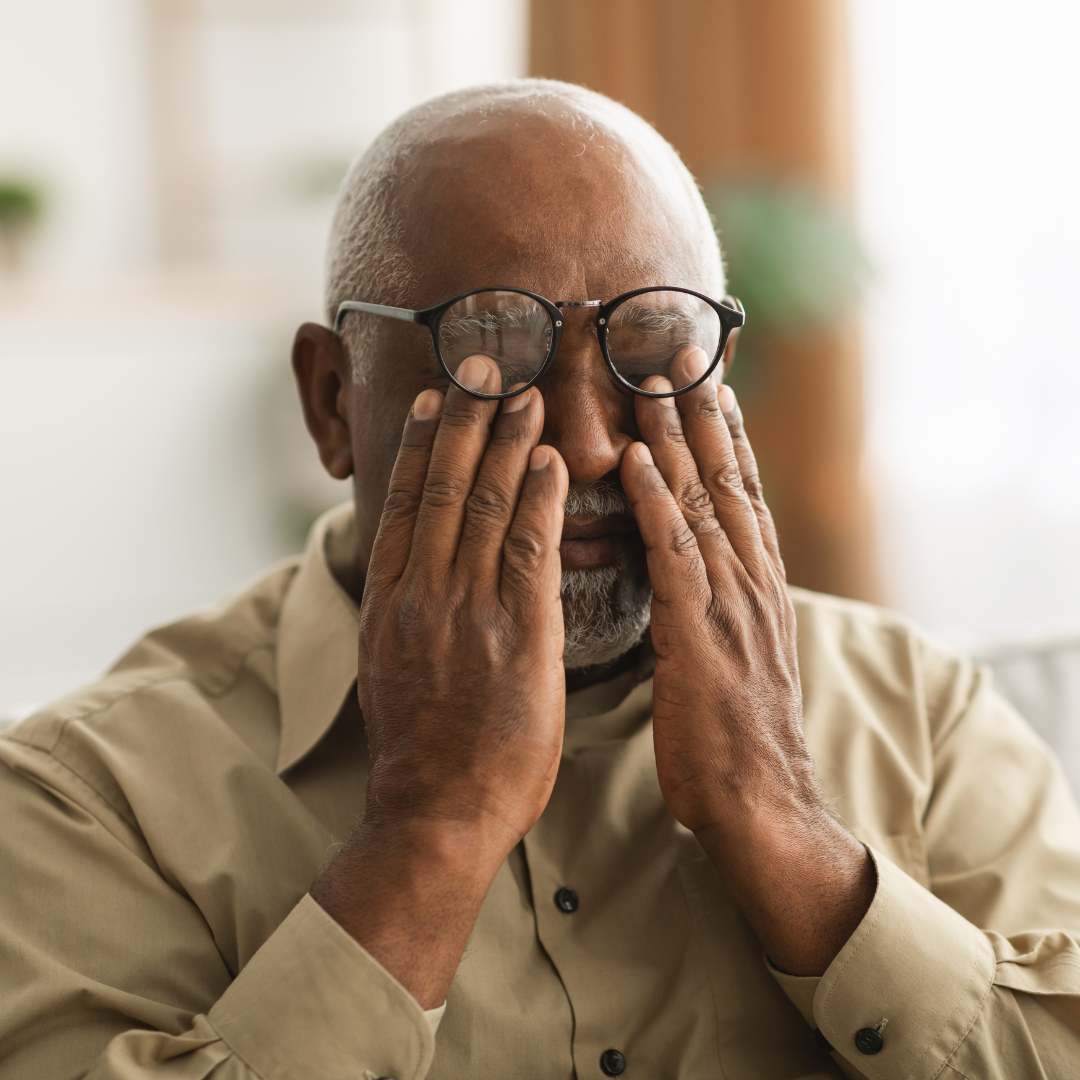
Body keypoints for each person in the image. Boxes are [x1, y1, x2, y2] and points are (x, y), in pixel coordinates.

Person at [2, 79, 1080, 1080]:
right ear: (332, 401)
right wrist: (433, 828)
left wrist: (783, 819)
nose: (592, 444)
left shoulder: (924, 713)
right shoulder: (89, 796)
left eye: (653, 350)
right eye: (494, 359)